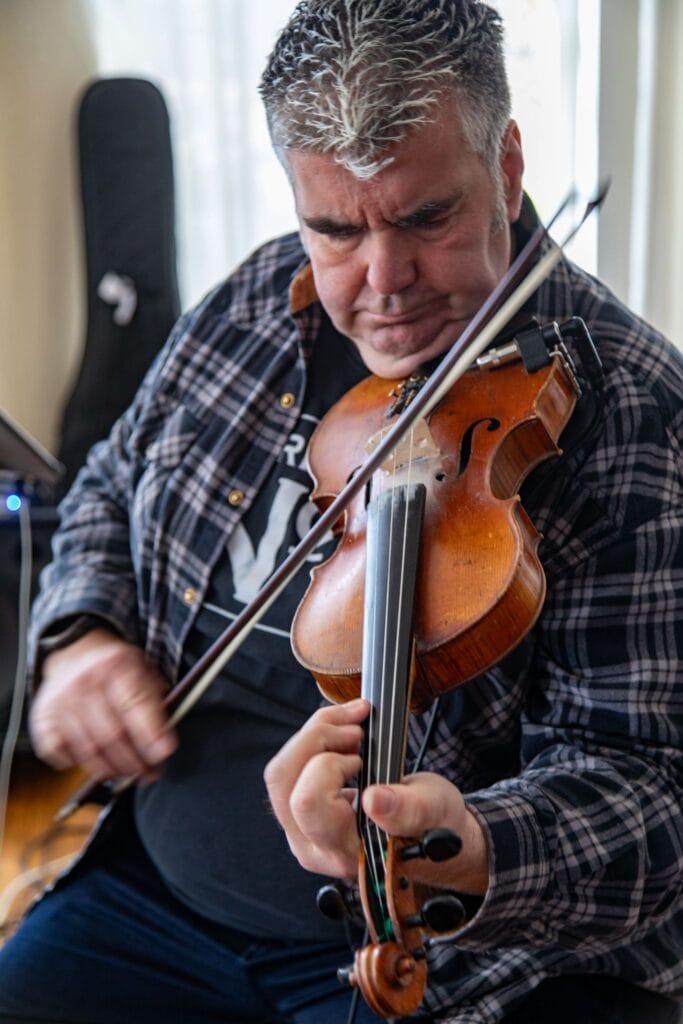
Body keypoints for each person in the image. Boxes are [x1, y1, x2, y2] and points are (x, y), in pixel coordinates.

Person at [1, 1, 682, 1022]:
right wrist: (83, 633)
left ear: (504, 167)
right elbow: (109, 480)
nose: (383, 284)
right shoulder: (251, 303)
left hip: (444, 961)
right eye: (335, 229)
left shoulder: (631, 409)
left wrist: (467, 845)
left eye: (425, 219)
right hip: (153, 902)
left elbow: (646, 791)